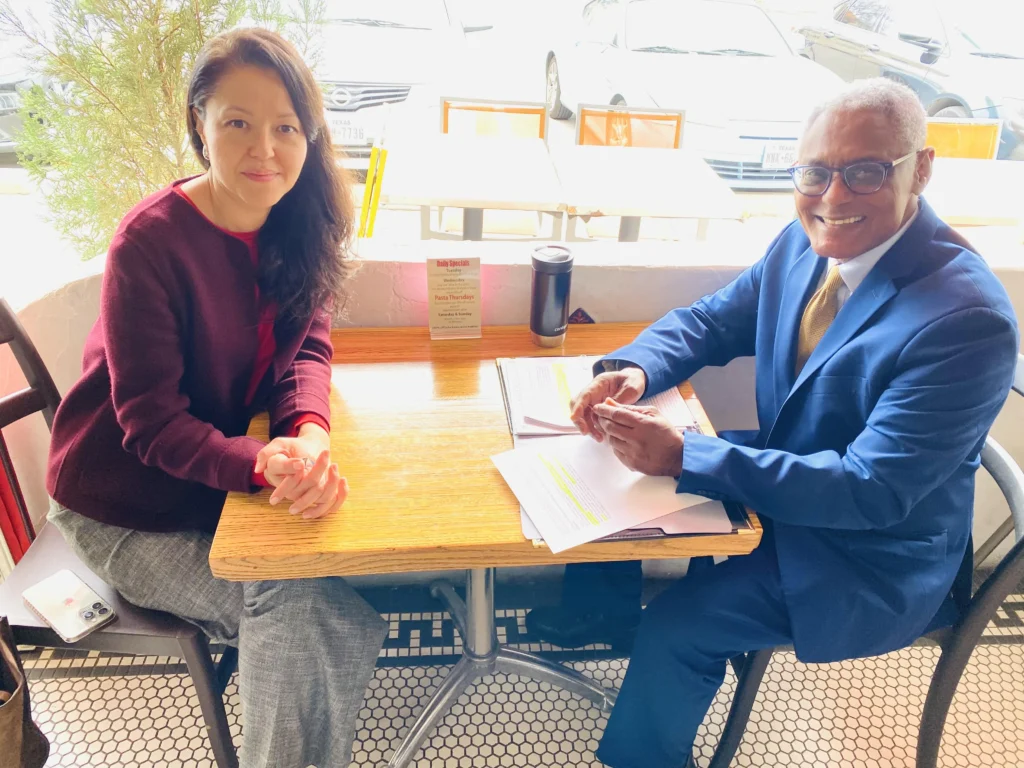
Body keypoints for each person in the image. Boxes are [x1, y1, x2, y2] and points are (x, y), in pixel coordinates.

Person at [532, 78, 1020, 768]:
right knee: (617, 471)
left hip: (865, 554)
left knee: (677, 625)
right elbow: (711, 321)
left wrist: (685, 457)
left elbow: (870, 490)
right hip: (799, 479)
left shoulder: (966, 320)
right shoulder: (804, 241)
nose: (833, 196)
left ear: (923, 168)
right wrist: (638, 369)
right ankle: (601, 612)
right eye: (816, 171)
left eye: (866, 171)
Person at [44, 28, 387, 768]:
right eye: (238, 122)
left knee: (324, 594)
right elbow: (151, 424)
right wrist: (264, 464)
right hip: (122, 506)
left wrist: (311, 435)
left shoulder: (300, 223)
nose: (265, 148)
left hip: (215, 481)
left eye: (286, 127)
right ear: (199, 125)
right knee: (300, 608)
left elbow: (307, 351)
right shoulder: (150, 243)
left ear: (310, 135)